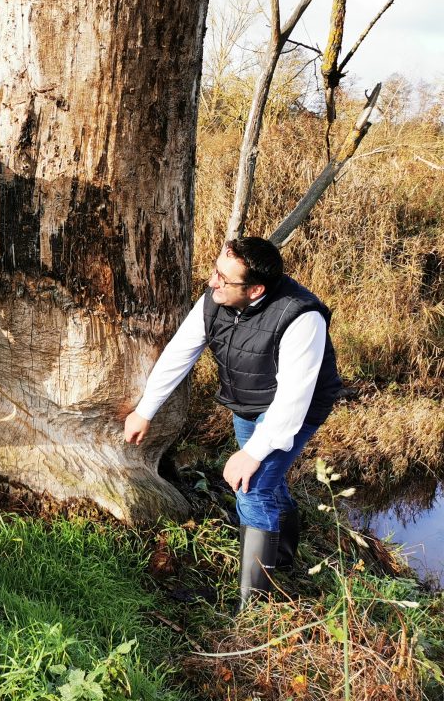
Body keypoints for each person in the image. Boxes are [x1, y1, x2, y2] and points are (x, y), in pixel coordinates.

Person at [124, 237, 342, 611]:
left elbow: (293, 400)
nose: (212, 283)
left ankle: (253, 605)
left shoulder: (300, 316)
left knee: (252, 486)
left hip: (298, 408)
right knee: (266, 482)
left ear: (255, 289)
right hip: (247, 400)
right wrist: (147, 408)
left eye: (224, 279)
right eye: (215, 272)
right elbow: (180, 352)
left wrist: (254, 453)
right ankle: (284, 557)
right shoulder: (217, 298)